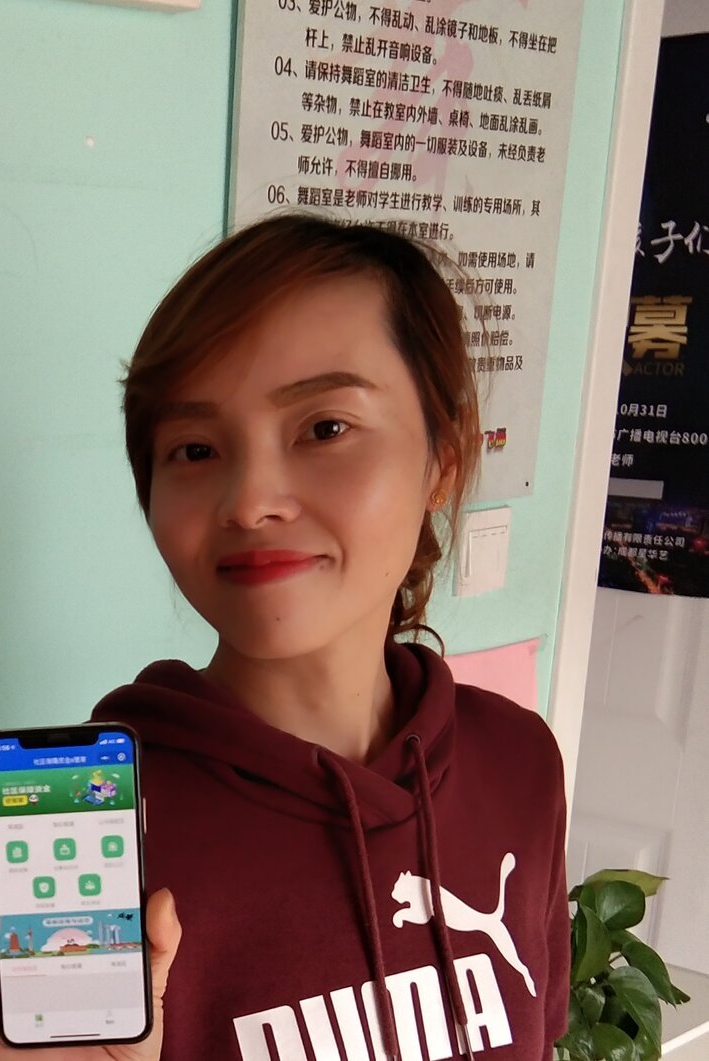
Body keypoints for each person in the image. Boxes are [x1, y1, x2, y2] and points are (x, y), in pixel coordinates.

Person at [89, 214, 569, 1059]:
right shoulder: (103, 825)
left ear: (443, 459)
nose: (250, 499)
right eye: (195, 449)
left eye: (324, 428)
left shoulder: (519, 765)